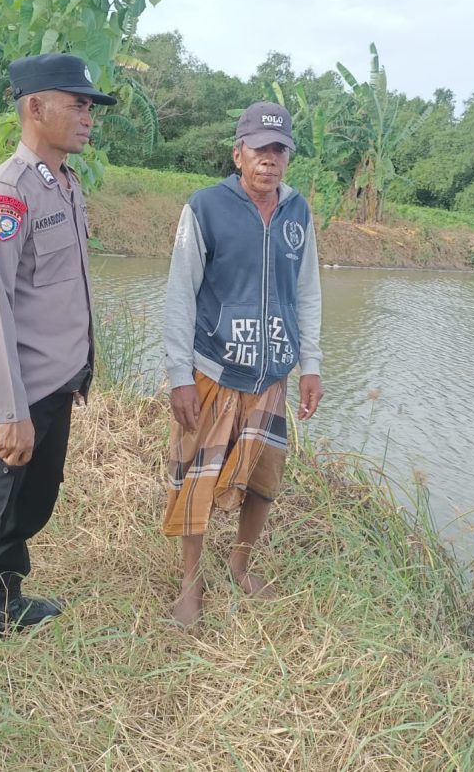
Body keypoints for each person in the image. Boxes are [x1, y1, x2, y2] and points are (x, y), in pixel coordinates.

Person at [0, 53, 116, 703]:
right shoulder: (6, 193)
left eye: (90, 105)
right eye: (79, 102)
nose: (88, 115)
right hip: (9, 398)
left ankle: (5, 600)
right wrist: (6, 409)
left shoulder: (63, 185)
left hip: (53, 388)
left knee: (30, 505)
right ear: (35, 107)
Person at [163, 100, 323, 627]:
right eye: (259, 148)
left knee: (262, 477)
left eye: (279, 149)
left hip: (271, 371)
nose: (269, 159)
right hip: (214, 369)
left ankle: (240, 561)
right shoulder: (205, 207)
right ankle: (191, 581)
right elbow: (180, 294)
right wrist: (179, 375)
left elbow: (308, 294)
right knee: (197, 477)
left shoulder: (298, 212)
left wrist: (311, 366)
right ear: (238, 153)